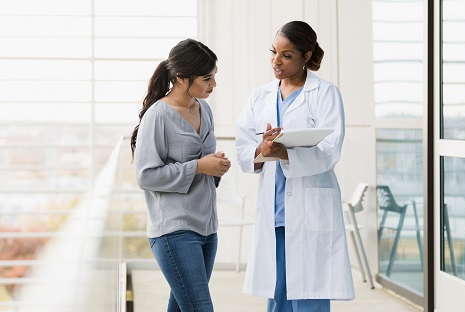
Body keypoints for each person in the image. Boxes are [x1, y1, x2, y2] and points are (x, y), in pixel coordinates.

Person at [235, 21, 355, 311]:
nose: (276, 61)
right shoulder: (259, 96)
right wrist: (261, 150)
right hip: (275, 212)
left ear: (306, 56)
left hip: (310, 208)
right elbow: (243, 148)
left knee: (309, 295)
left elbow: (330, 150)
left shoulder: (325, 93)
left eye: (287, 55)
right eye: (274, 52)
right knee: (278, 296)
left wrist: (286, 154)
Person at [131, 38, 231, 312]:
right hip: (174, 230)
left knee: (182, 307)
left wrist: (216, 167)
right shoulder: (158, 116)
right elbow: (146, 176)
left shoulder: (204, 109)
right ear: (181, 78)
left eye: (214, 77)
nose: (213, 85)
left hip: (207, 227)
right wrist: (199, 167)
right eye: (207, 78)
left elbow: (206, 163)